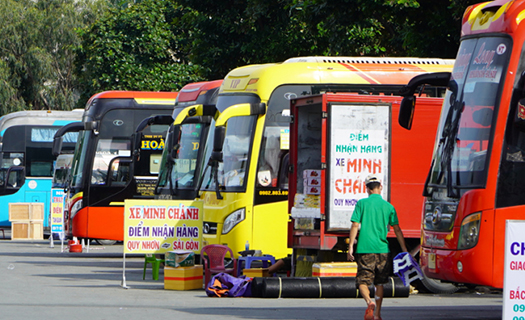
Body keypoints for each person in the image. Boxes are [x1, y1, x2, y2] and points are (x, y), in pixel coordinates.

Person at [347, 174, 407, 320]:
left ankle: (369, 302)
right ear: (380, 187)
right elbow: (397, 229)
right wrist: (404, 250)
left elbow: (355, 225)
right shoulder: (389, 207)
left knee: (362, 281)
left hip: (364, 249)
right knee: (380, 282)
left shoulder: (362, 204)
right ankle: (378, 315)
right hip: (383, 250)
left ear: (367, 189)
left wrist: (350, 248)